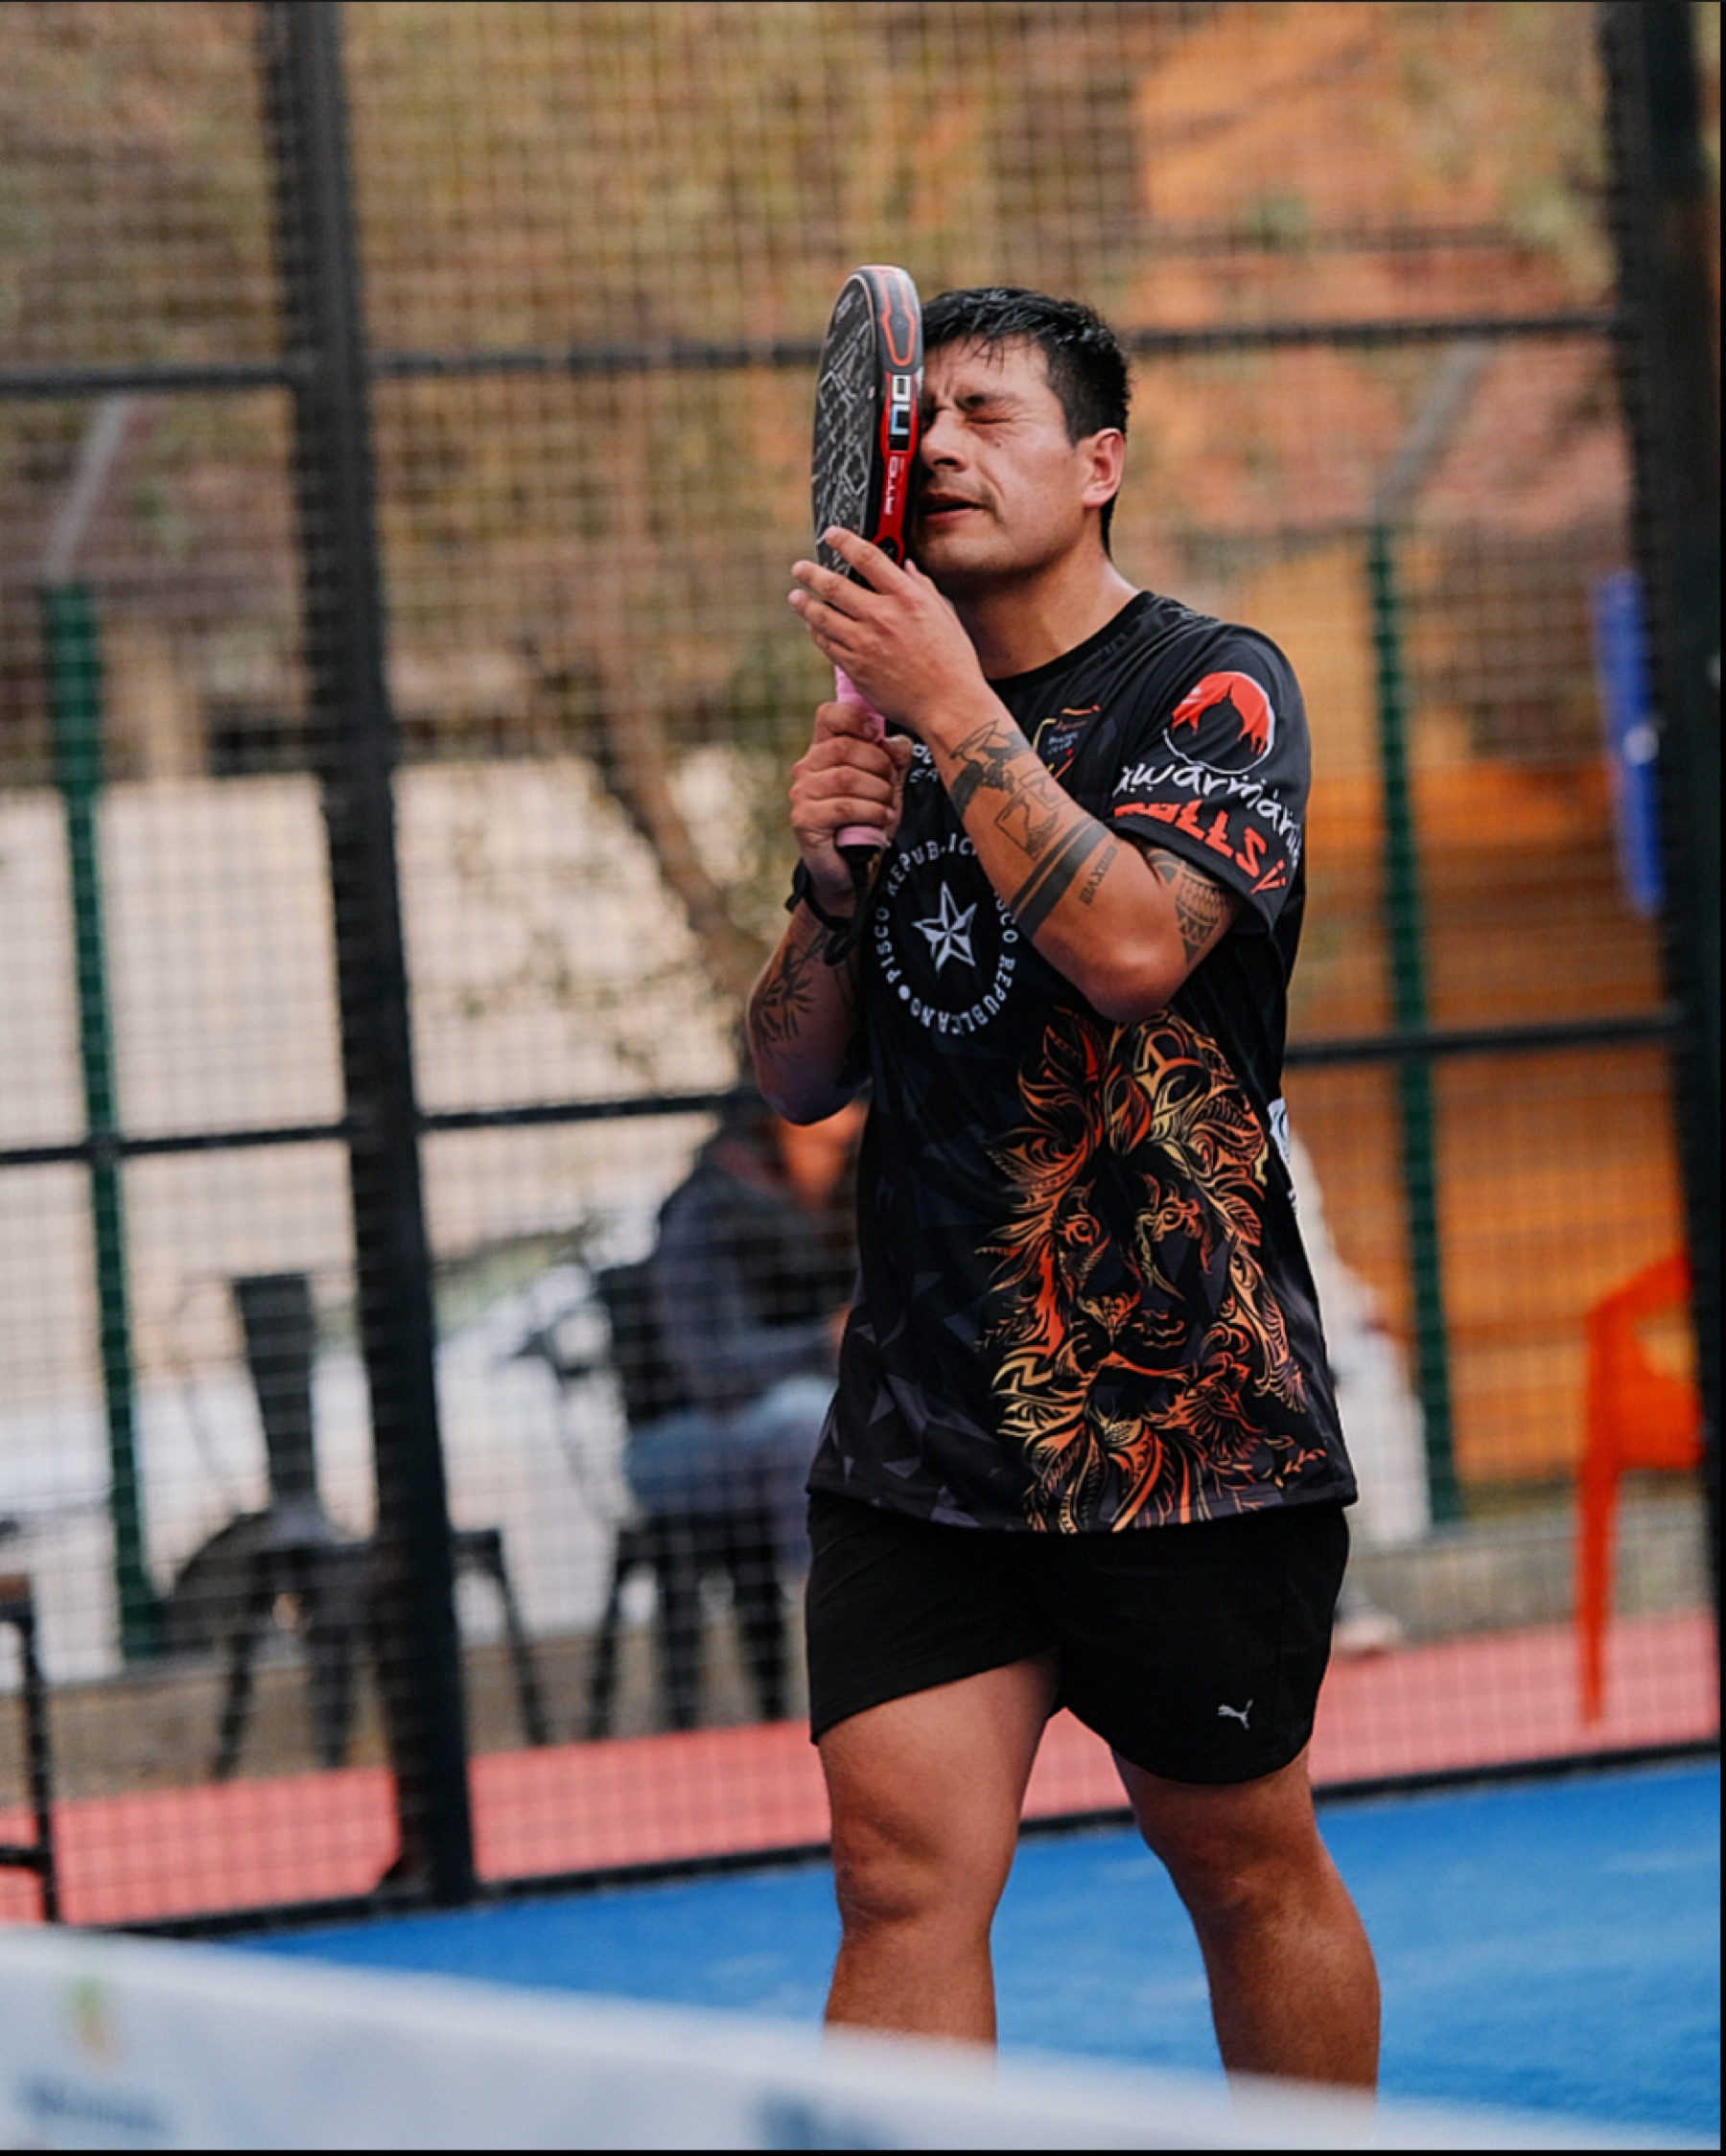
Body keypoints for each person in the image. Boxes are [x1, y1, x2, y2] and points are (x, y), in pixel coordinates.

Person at [747, 287, 1379, 2085]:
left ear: (1099, 464)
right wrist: (832, 886)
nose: (938, 444)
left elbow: (1129, 950)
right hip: (922, 1432)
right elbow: (792, 1071)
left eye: (990, 413)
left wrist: (953, 709)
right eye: (921, 414)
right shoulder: (892, 735)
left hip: (1181, 1420)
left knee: (1243, 1867)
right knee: (896, 1883)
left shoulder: (1214, 684)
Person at [619, 1094, 860, 1723]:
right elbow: (712, 1374)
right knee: (806, 1419)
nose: (852, 1125)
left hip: (798, 1429)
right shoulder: (705, 1207)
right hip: (673, 1446)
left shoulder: (855, 1197)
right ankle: (835, 1637)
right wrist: (823, 1343)